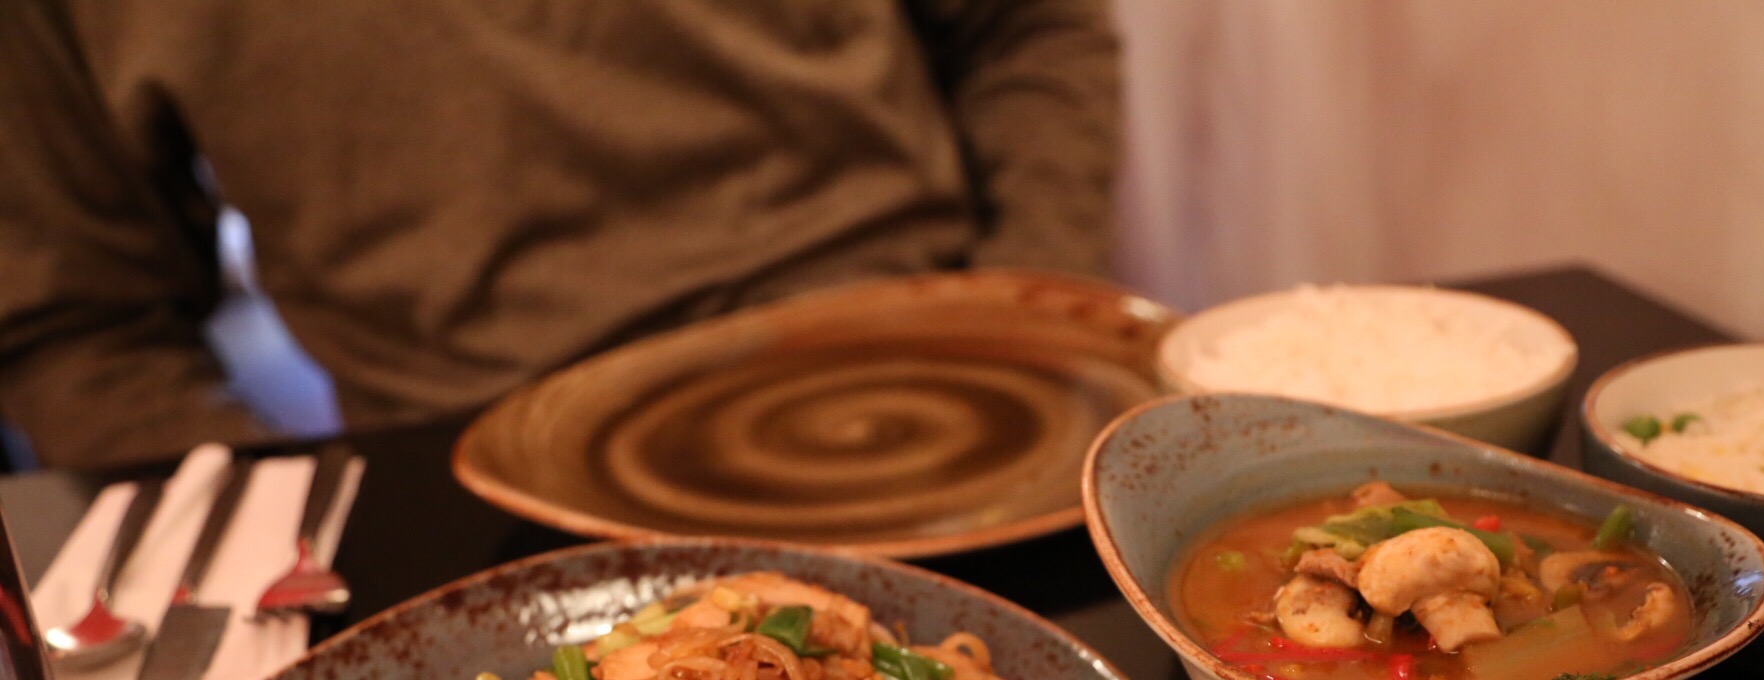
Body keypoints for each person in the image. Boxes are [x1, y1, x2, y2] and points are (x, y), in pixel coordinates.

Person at [0, 1, 1119, 469]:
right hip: (467, 483)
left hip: (947, 381)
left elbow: (1025, 27)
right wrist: (287, 555)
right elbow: (77, 325)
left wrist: (1032, 309)